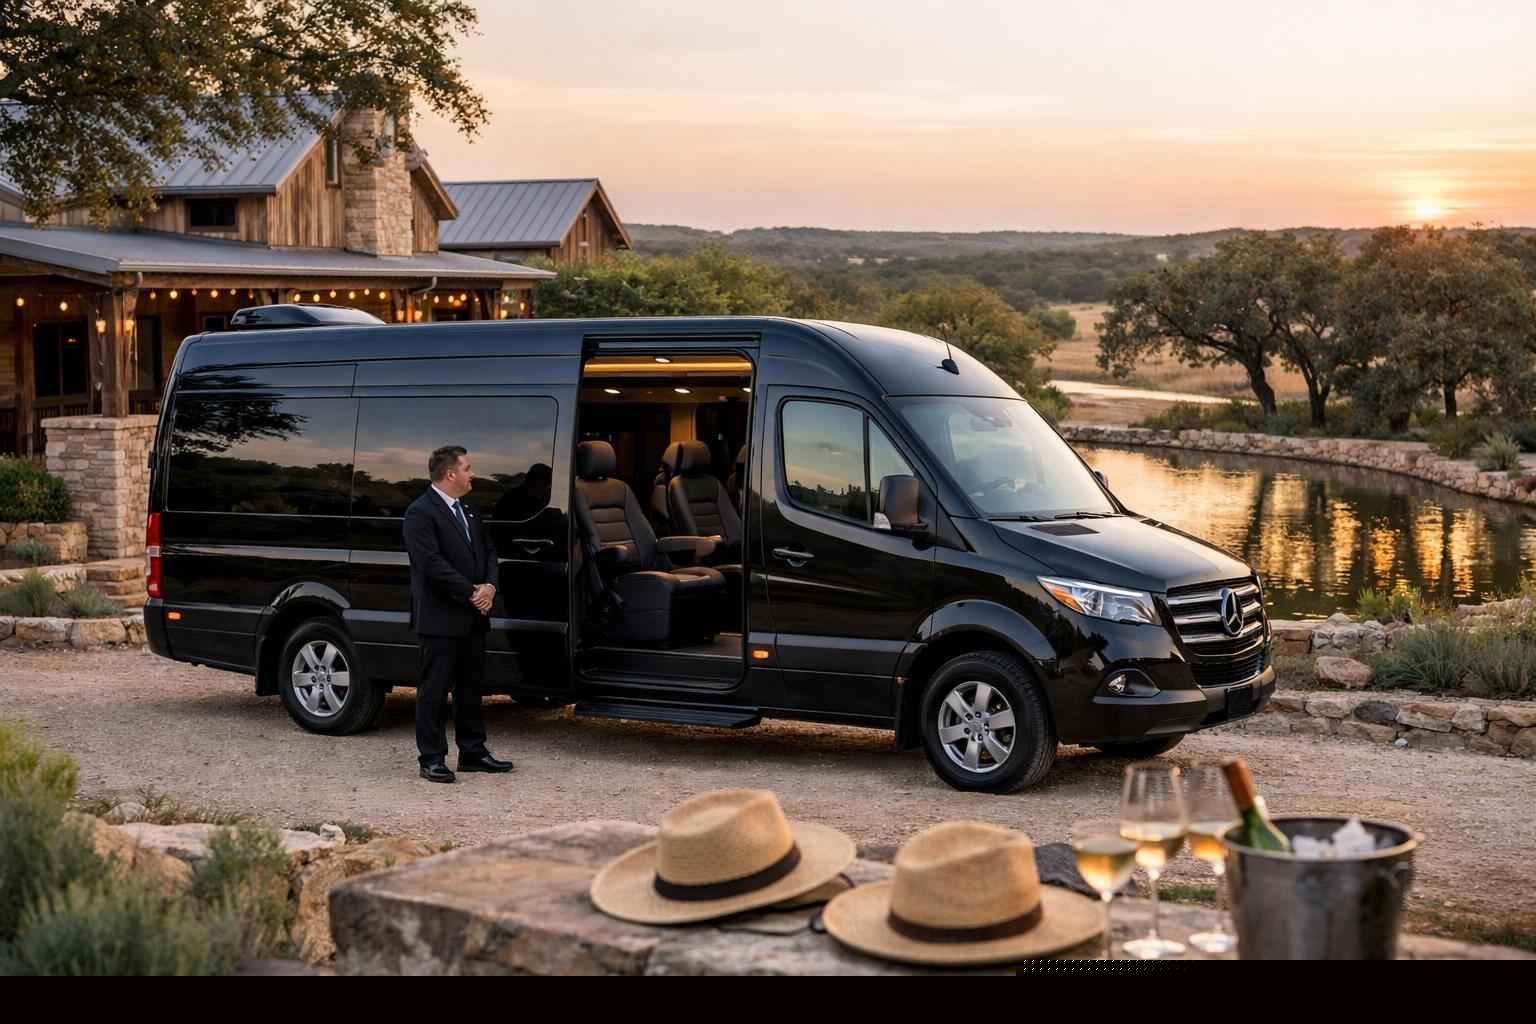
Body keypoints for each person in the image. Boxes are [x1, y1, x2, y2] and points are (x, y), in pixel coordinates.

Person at [402, 445, 514, 783]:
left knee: (471, 688)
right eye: (467, 467)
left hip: (472, 616)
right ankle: (432, 758)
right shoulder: (420, 512)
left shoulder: (469, 509)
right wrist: (471, 592)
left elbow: (490, 551)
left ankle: (473, 752)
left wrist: (490, 588)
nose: (472, 473)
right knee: (434, 691)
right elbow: (430, 564)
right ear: (450, 474)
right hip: (440, 617)